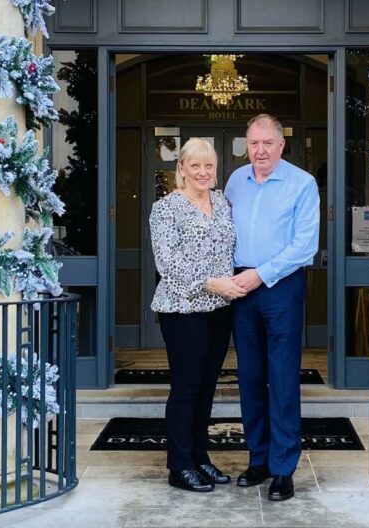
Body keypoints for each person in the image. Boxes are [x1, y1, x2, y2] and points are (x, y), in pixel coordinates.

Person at [224, 114, 320, 502]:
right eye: (253, 143)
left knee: (281, 379)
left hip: (280, 286)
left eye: (267, 143)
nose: (260, 150)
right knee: (249, 377)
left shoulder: (302, 183)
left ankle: (283, 468)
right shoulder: (235, 182)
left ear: (282, 145)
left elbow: (304, 245)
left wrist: (260, 275)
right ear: (245, 146)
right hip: (239, 288)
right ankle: (258, 458)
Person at [149, 137, 247, 493]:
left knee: (207, 388)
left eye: (209, 166)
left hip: (219, 310)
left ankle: (200, 457)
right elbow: (167, 263)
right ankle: (179, 465)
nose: (203, 172)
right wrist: (211, 283)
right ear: (182, 170)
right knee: (187, 387)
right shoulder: (166, 209)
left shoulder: (221, 202)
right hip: (182, 309)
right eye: (195, 166)